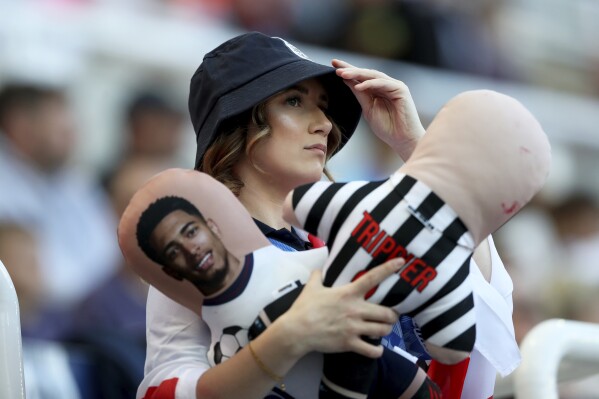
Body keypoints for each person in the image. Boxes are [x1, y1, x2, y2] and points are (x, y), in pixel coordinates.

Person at [137, 31, 533, 399]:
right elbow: (165, 386)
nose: (325, 124)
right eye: (294, 101)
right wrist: (280, 343)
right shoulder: (197, 248)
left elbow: (482, 322)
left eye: (325, 106)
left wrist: (417, 148)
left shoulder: (355, 238)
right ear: (238, 121)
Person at [0, 83, 120, 309]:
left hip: (83, 314)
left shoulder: (71, 178)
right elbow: (39, 279)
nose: (72, 135)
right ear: (21, 127)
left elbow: (108, 248)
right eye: (61, 129)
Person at [136, 195, 242, 296]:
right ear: (172, 272)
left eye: (191, 232)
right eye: (174, 252)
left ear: (213, 227)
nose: (191, 251)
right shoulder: (173, 314)